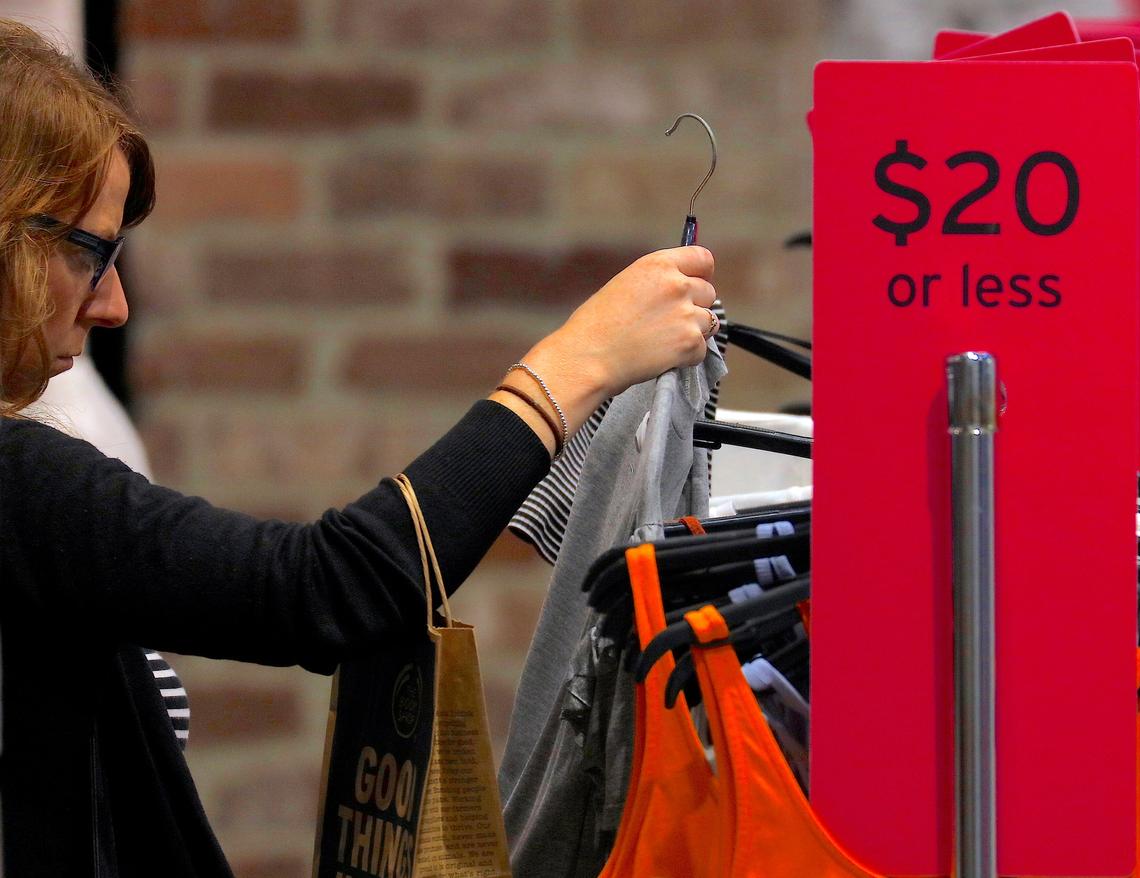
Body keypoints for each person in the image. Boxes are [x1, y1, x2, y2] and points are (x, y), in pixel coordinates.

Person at [0, 19, 719, 876]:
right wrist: (575, 364)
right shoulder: (16, 485)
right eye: (92, 252)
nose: (111, 303)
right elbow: (322, 589)